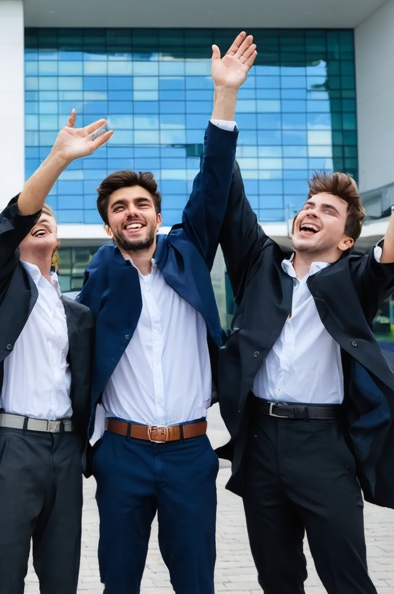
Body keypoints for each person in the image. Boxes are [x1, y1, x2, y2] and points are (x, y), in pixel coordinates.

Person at [217, 63, 394, 593]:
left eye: (327, 211)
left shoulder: (354, 280)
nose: (311, 212)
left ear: (347, 239)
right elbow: (227, 189)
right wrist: (226, 97)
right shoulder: (258, 266)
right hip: (260, 442)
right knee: (277, 579)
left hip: (323, 445)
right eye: (308, 206)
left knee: (347, 578)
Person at [77, 31, 257, 594]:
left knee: (196, 581)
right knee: (119, 582)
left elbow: (211, 183)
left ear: (157, 215)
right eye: (120, 209)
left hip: (189, 453)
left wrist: (223, 97)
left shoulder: (187, 252)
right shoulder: (101, 274)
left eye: (141, 205)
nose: (132, 213)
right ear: (108, 225)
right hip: (122, 453)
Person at [0, 109, 111, 594]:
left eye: (48, 218)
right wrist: (58, 159)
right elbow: (15, 218)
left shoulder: (76, 311)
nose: (40, 220)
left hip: (66, 449)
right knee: (6, 572)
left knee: (61, 574)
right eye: (35, 218)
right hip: (15, 445)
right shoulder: (3, 286)